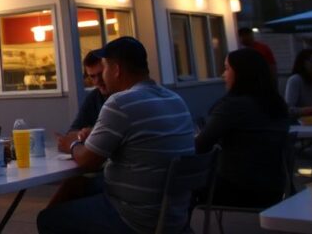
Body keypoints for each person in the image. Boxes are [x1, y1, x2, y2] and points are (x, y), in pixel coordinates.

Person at [41, 37, 196, 234]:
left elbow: (89, 162)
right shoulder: (175, 99)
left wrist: (72, 145)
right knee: (76, 184)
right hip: (173, 214)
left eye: (104, 69)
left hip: (135, 218)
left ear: (116, 70)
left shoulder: (121, 102)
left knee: (48, 219)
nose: (101, 78)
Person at [196, 48, 290, 207]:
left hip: (237, 188)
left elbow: (200, 145)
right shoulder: (276, 104)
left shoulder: (234, 106)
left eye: (226, 68)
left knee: (176, 186)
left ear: (241, 73)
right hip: (274, 188)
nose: (223, 75)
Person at [56, 51, 110, 151]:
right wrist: (84, 135)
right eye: (92, 76)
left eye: (101, 74)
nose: (97, 81)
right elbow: (71, 134)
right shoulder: (94, 97)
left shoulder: (122, 99)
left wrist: (92, 134)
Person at [284, 48, 312, 119]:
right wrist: (311, 109)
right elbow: (288, 109)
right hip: (299, 123)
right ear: (304, 63)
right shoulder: (295, 80)